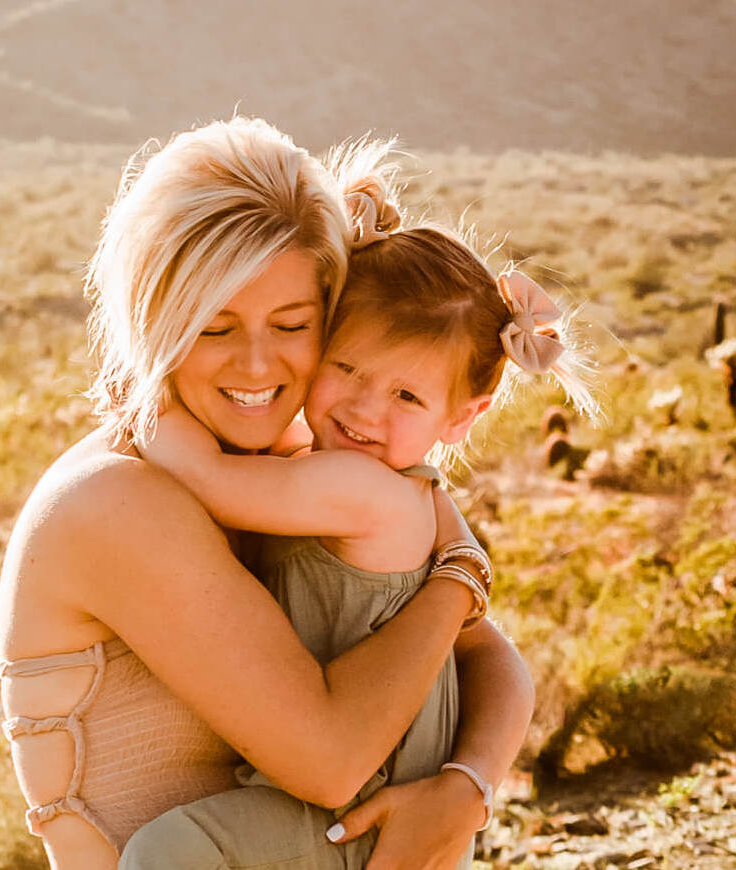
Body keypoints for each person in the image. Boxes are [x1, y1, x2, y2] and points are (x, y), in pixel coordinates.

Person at [0, 117, 535, 870]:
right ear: (151, 322)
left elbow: (490, 657)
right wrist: (458, 574)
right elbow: (332, 762)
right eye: (213, 329)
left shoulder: (297, 465)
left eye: (291, 324)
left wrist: (465, 789)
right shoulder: (115, 501)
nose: (256, 366)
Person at [119, 178, 596, 869]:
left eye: (406, 394)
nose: (365, 410)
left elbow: (208, 479)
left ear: (461, 418)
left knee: (169, 850)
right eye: (345, 366)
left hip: (357, 817)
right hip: (389, 803)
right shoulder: (408, 494)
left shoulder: (355, 489)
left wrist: (143, 387)